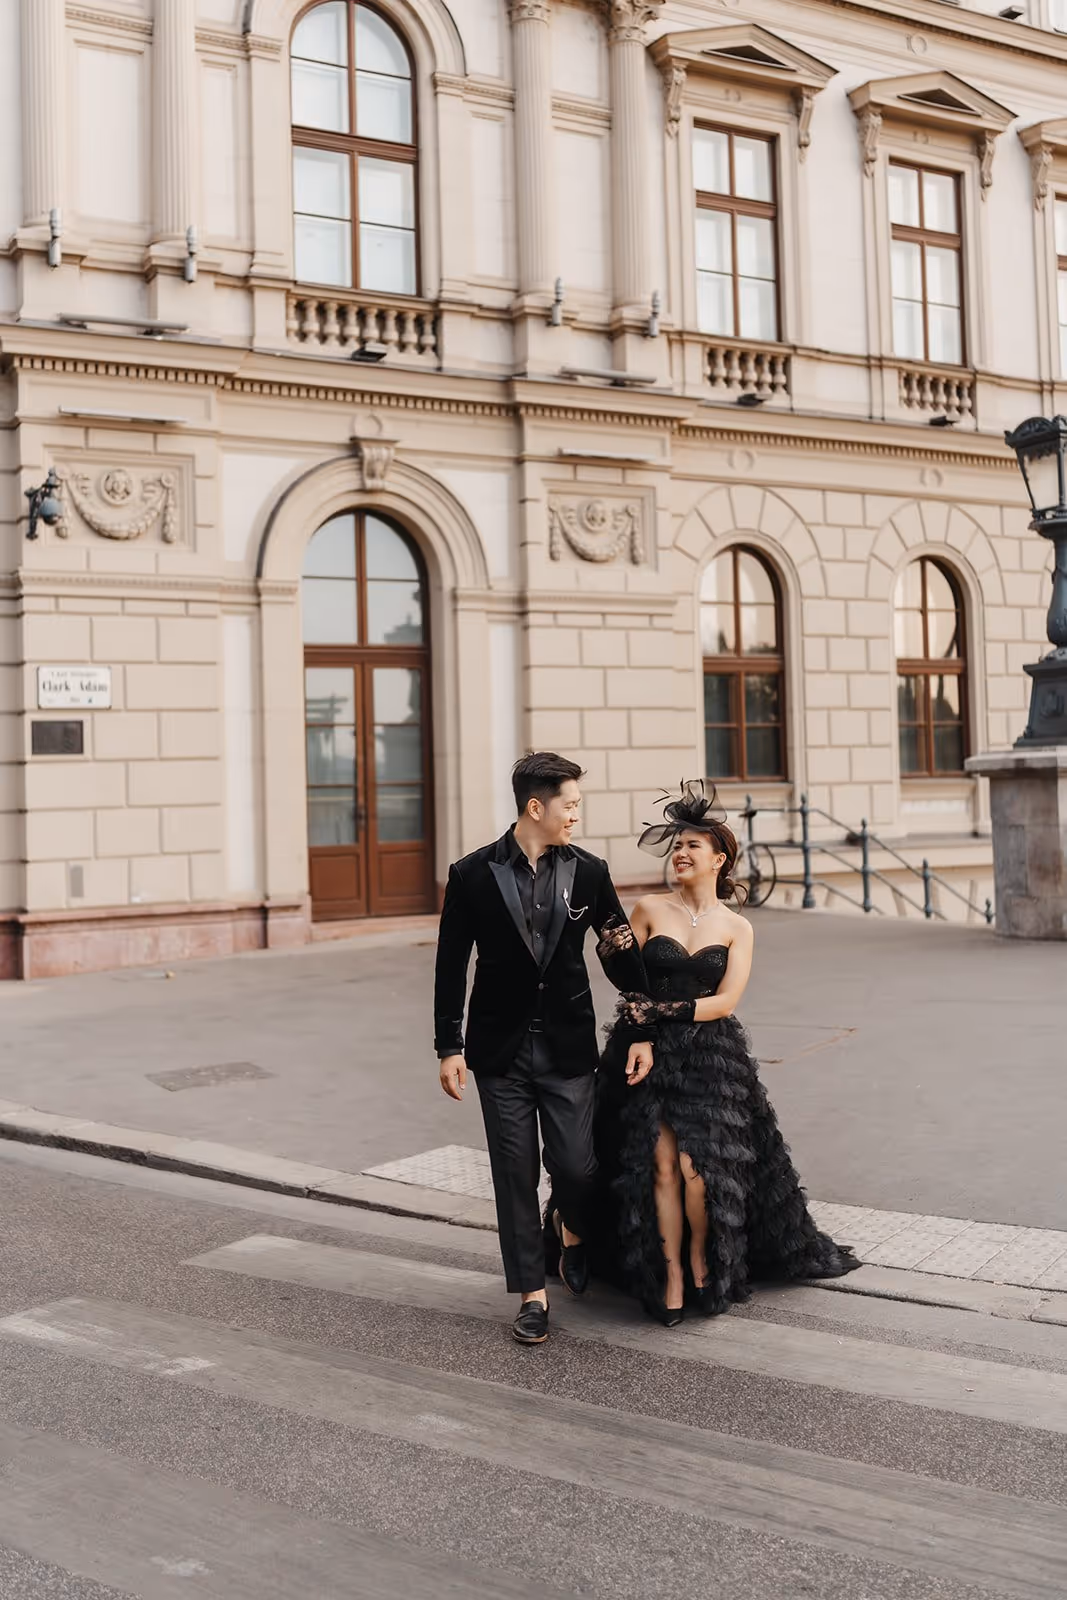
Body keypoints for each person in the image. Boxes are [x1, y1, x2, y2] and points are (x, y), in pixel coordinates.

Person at [592, 781, 859, 1326]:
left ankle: (700, 1259)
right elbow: (629, 983)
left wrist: (662, 1013)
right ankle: (667, 1273)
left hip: (710, 1056)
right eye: (678, 846)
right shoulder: (647, 909)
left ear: (720, 858)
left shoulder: (737, 926)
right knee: (660, 1164)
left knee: (698, 1169)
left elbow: (726, 1001)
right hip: (644, 1051)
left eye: (693, 847)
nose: (682, 855)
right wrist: (631, 996)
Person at [434, 752, 650, 1345]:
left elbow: (618, 949)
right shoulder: (472, 875)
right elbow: (451, 966)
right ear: (538, 807)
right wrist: (447, 1044)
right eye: (571, 805)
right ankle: (532, 1294)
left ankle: (570, 1225)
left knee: (577, 1168)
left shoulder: (590, 872)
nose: (577, 815)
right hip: (498, 1052)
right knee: (514, 1173)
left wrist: (648, 1023)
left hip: (568, 1046)